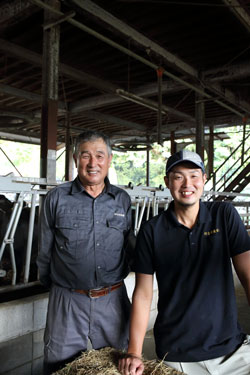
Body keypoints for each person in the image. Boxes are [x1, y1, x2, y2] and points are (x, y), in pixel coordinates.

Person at [119, 149, 250, 375]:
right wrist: (134, 352)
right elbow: (142, 294)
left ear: (204, 180)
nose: (187, 184)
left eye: (194, 175)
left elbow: (248, 276)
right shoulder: (152, 230)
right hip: (177, 356)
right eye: (178, 177)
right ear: (167, 182)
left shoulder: (224, 215)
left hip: (232, 351)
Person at [37, 130, 132, 374]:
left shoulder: (122, 200)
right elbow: (44, 251)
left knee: (117, 363)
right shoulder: (56, 198)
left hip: (113, 299)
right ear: (75, 158)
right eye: (85, 156)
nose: (93, 163)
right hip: (67, 299)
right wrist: (60, 288)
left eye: (100, 156)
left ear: (109, 159)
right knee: (59, 366)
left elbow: (130, 246)